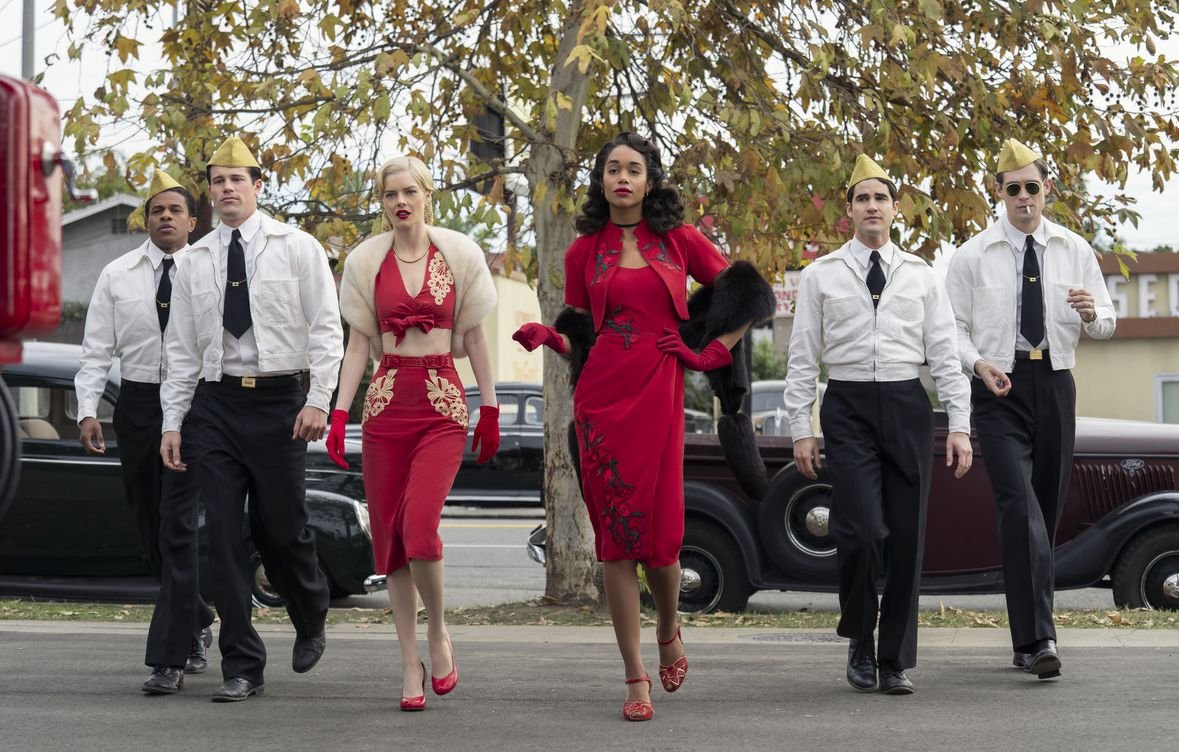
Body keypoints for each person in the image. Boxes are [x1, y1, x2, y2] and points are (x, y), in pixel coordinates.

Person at [512, 131, 773, 722]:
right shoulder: (583, 252)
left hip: (659, 387)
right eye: (612, 169)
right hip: (600, 402)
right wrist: (549, 336)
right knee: (615, 543)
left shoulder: (678, 240)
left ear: (651, 180)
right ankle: (634, 676)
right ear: (601, 182)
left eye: (634, 169)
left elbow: (748, 292)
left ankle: (670, 627)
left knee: (660, 545)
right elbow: (582, 332)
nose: (622, 178)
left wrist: (712, 351)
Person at [159, 136, 344, 702]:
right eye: (217, 181)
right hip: (215, 406)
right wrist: (173, 421)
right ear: (209, 192)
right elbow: (183, 350)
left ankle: (310, 610)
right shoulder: (192, 261)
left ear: (258, 186)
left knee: (282, 527)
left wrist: (319, 399)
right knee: (221, 534)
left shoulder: (298, 247)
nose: (227, 190)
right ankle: (243, 663)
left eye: (237, 179)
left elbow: (325, 330)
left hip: (280, 404)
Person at [784, 154, 973, 696]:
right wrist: (802, 425)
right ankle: (859, 641)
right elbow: (802, 356)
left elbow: (943, 354)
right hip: (846, 405)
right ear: (849, 211)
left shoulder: (920, 275)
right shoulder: (820, 274)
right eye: (862, 198)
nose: (872, 206)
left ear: (895, 210)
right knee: (862, 532)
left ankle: (893, 659)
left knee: (907, 537)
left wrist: (959, 423)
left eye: (880, 198)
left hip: (906, 403)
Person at [328, 154, 499, 712]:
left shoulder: (459, 255)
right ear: (381, 204)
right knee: (391, 543)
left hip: (442, 402)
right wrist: (338, 414)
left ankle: (438, 633)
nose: (399, 202)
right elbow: (358, 346)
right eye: (388, 195)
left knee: (419, 524)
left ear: (427, 195)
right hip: (384, 405)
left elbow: (474, 340)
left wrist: (491, 407)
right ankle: (408, 662)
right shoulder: (365, 262)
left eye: (409, 192)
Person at [945, 139, 1115, 679]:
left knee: (1041, 514)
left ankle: (1026, 641)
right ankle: (1042, 638)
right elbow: (951, 331)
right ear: (998, 192)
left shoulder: (1074, 249)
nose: (1023, 197)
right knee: (1020, 510)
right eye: (1012, 188)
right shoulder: (971, 256)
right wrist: (978, 366)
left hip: (1056, 383)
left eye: (1032, 187)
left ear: (1048, 189)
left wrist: (1092, 314)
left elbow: (1107, 323)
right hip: (999, 389)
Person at [75, 169, 214, 694]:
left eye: (175, 210)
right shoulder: (118, 275)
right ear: (146, 220)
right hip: (135, 406)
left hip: (194, 406)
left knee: (176, 526)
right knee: (149, 528)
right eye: (156, 210)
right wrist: (89, 409)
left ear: (192, 222)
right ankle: (196, 613)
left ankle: (170, 654)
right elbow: (95, 351)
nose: (165, 218)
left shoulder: (208, 272)